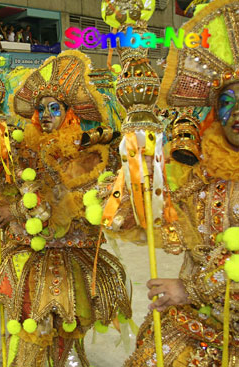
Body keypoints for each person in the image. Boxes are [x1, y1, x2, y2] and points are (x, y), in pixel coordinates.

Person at [106, 1, 239, 366]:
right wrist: (129, 184)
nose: (238, 112)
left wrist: (189, 288)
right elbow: (166, 218)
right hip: (197, 321)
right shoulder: (203, 174)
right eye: (228, 100)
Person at [0, 51, 131, 367]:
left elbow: (60, 203)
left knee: (63, 328)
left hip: (66, 253)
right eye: (41, 109)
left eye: (54, 108)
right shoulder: (29, 149)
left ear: (70, 113)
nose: (46, 114)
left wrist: (18, 211)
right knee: (30, 327)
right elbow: (13, 186)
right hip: (31, 252)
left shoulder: (88, 153)